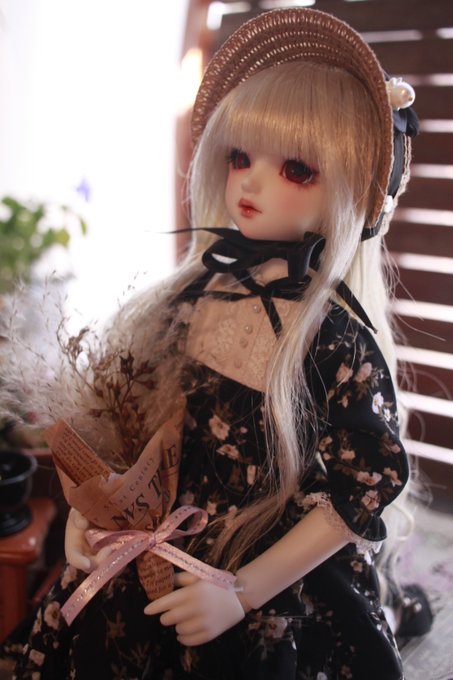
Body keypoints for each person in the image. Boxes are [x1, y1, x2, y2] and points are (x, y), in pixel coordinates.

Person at [3, 7, 427, 680]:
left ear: (351, 192)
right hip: (167, 528)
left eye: (296, 169)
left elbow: (361, 491)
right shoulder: (192, 297)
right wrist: (96, 509)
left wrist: (242, 592)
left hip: (264, 559)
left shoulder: (333, 341)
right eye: (238, 158)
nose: (250, 183)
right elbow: (142, 425)